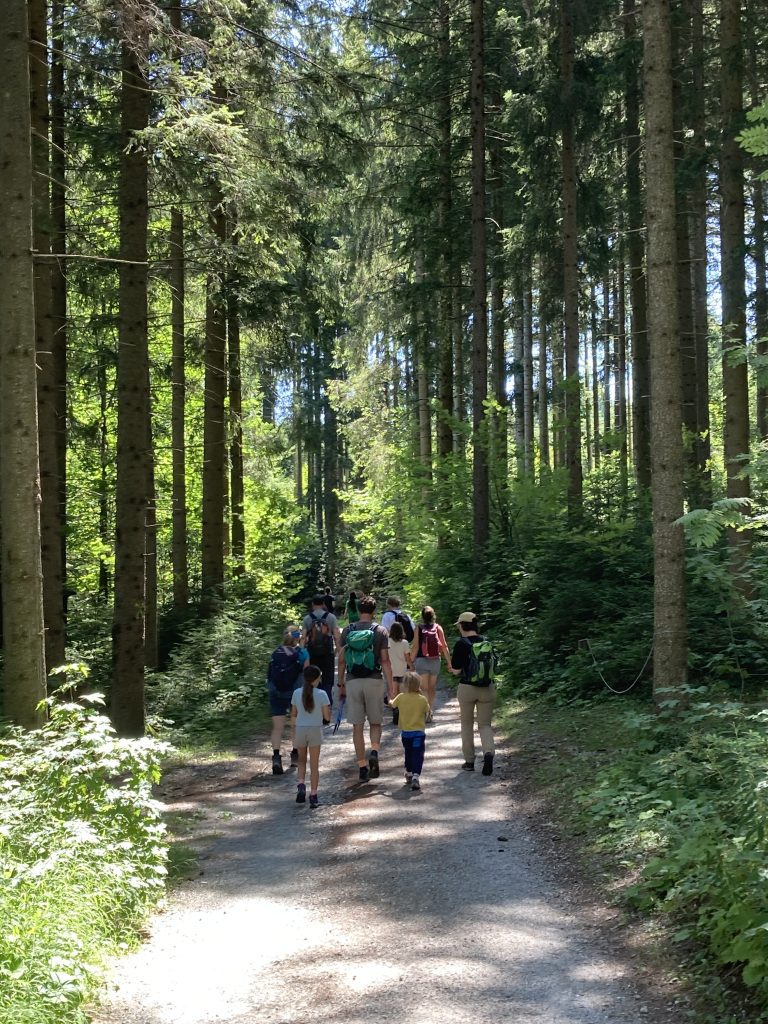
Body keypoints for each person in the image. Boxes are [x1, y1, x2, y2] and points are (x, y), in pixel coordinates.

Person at [337, 594, 393, 782]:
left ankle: (361, 766)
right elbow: (385, 660)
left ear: (359, 610)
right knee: (376, 722)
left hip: (353, 681)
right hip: (374, 680)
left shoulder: (347, 630)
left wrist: (341, 685)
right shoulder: (381, 631)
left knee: (357, 727)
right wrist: (391, 687)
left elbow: (342, 660)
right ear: (374, 611)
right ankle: (375, 751)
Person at [448, 611, 497, 776]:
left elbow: (455, 671)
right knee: (485, 725)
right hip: (487, 688)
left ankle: (469, 762)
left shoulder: (461, 644)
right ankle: (488, 753)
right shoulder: (485, 642)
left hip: (467, 688)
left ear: (462, 625)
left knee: (466, 725)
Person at [266, 625, 308, 775]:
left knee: (277, 728)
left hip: (276, 692)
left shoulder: (275, 652)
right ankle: (295, 755)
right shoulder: (301, 653)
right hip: (294, 692)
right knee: (295, 725)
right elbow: (307, 673)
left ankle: (276, 757)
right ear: (298, 637)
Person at [291, 664, 331, 808]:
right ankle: (313, 795)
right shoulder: (322, 694)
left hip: (300, 729)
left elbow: (293, 715)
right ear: (317, 678)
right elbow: (327, 717)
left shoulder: (296, 693)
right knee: (314, 765)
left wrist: (293, 731)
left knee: (301, 761)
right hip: (315, 730)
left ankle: (301, 785)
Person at [391, 672, 430, 791]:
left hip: (406, 733)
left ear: (405, 685)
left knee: (408, 753)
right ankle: (416, 776)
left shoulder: (401, 697)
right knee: (418, 754)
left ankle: (408, 772)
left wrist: (388, 700)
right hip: (419, 733)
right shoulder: (422, 699)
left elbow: (393, 705)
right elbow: (428, 711)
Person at [301, 594, 342, 706]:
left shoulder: (307, 618)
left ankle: (316, 702)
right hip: (327, 652)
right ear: (323, 603)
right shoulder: (331, 617)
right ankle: (327, 702)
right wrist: (339, 652)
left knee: (314, 677)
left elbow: (304, 637)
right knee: (328, 679)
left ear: (313, 604)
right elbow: (337, 636)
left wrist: (301, 652)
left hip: (312, 653)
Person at [411, 605, 450, 719]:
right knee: (432, 687)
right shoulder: (438, 627)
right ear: (433, 615)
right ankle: (431, 709)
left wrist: (410, 661)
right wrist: (449, 662)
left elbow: (415, 647)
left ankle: (426, 711)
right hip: (435, 660)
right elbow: (444, 646)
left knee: (424, 688)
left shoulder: (418, 628)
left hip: (422, 660)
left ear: (422, 616)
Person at [387, 620, 414, 725]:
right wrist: (412, 667)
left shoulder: (387, 642)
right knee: (403, 694)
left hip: (391, 672)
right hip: (402, 671)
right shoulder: (404, 643)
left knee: (393, 694)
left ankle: (395, 713)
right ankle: (403, 715)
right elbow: (407, 658)